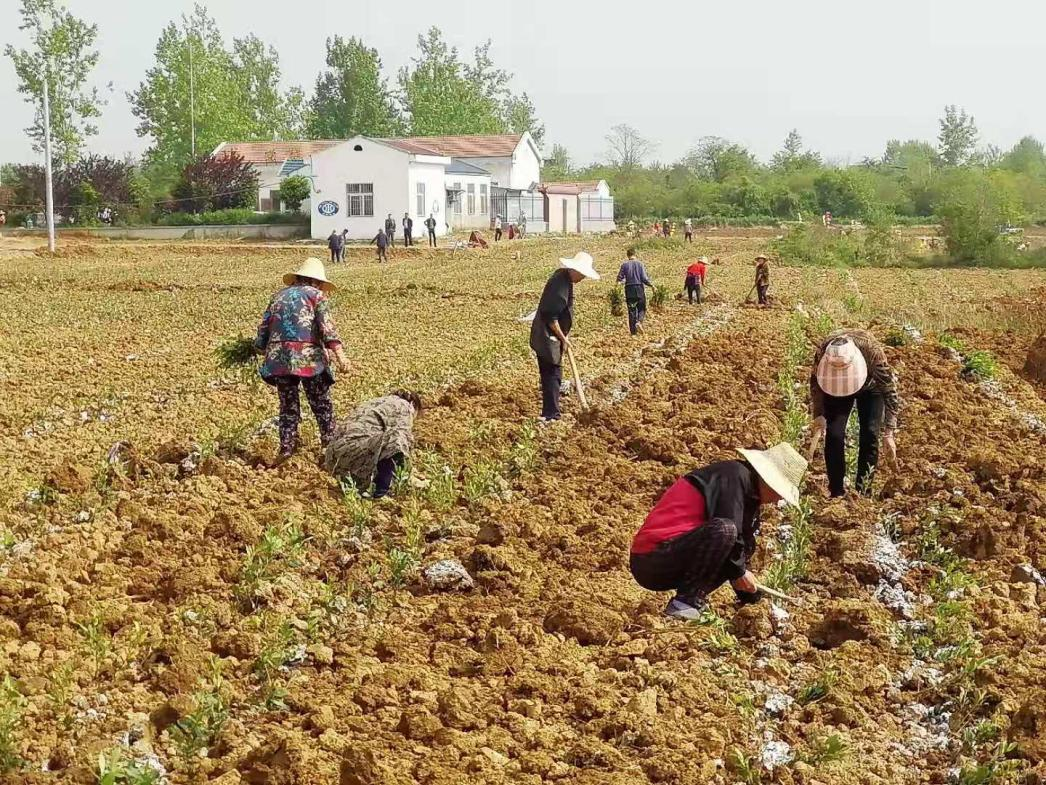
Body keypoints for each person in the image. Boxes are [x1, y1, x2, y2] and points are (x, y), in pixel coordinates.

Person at [630, 443, 808, 620]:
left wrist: (754, 601)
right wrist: (739, 573)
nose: (779, 499)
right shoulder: (733, 476)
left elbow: (739, 550)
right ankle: (685, 602)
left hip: (674, 557)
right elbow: (728, 533)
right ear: (769, 480)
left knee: (741, 546)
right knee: (725, 531)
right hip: (652, 558)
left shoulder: (749, 494)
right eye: (780, 492)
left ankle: (692, 600)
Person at [255, 258, 349, 463]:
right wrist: (341, 357)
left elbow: (263, 329)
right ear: (317, 281)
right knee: (321, 403)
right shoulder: (316, 296)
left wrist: (263, 348)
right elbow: (327, 329)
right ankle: (329, 445)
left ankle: (287, 448)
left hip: (279, 358)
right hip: (308, 358)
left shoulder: (278, 296)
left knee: (288, 405)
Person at [808, 330, 900, 498]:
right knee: (834, 434)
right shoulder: (823, 351)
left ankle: (863, 491)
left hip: (869, 387)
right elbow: (815, 382)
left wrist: (889, 432)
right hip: (834, 385)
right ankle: (836, 491)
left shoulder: (872, 351)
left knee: (870, 433)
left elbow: (890, 391)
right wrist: (819, 415)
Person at [530, 252, 600, 421]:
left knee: (553, 373)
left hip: (552, 335)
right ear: (574, 270)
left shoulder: (564, 280)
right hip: (547, 336)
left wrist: (564, 336)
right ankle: (551, 415)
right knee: (552, 373)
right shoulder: (560, 283)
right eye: (582, 274)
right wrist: (563, 338)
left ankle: (551, 412)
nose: (583, 278)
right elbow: (551, 316)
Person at [322, 390, 422, 498]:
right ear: (413, 404)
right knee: (399, 435)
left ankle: (364, 486)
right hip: (355, 450)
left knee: (387, 442)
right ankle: (381, 491)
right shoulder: (404, 406)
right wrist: (409, 475)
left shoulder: (376, 403)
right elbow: (400, 439)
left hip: (334, 460)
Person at [616, 247, 653, 336]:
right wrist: (651, 285)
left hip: (629, 290)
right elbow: (644, 278)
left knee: (631, 310)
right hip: (639, 288)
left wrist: (617, 286)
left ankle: (633, 333)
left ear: (627, 255)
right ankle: (639, 322)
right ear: (635, 254)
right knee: (642, 308)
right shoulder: (640, 264)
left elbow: (620, 278)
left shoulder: (624, 265)